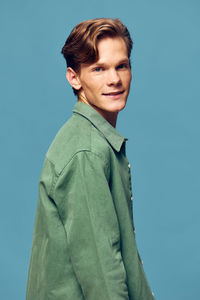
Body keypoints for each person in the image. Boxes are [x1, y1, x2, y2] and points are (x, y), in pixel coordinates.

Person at [26, 18, 155, 300]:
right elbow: (102, 273)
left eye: (121, 65)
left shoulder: (95, 141)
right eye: (99, 69)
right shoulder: (86, 152)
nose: (114, 79)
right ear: (74, 78)